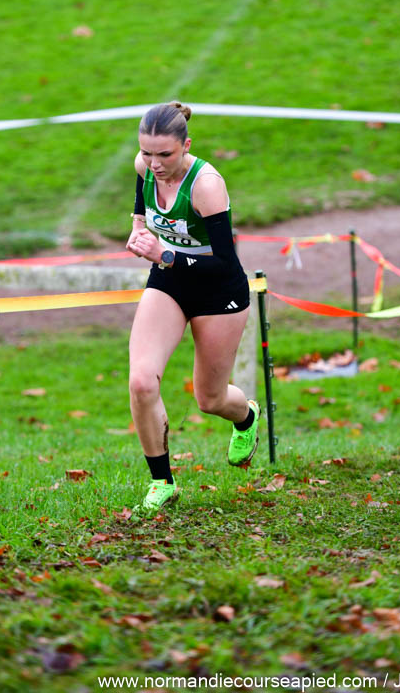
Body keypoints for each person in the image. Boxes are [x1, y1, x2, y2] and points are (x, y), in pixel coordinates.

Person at [126, 101, 260, 511]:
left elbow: (225, 263)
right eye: (147, 153)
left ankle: (246, 417)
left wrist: (165, 254)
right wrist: (137, 230)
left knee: (210, 399)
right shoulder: (145, 167)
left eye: (165, 155)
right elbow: (141, 204)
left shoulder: (206, 186)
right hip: (169, 281)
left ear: (186, 146)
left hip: (218, 291)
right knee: (142, 381)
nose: (155, 164)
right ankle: (162, 482)